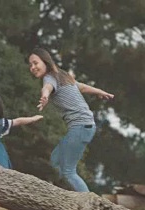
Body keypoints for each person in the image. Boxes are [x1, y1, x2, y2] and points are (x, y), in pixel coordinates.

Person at [28, 47, 114, 192]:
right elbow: (80, 87)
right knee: (55, 159)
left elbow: (47, 88)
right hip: (84, 126)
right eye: (30, 65)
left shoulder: (49, 77)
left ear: (45, 61)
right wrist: (99, 91)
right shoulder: (61, 75)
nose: (33, 67)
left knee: (68, 171)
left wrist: (45, 96)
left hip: (80, 127)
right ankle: (58, 195)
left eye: (35, 63)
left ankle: (88, 206)